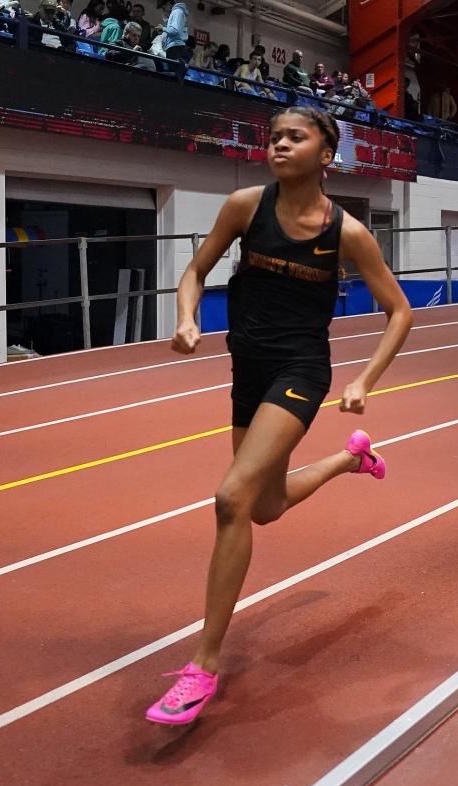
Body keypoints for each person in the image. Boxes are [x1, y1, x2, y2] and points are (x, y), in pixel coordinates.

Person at [147, 107, 413, 725]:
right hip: (249, 368)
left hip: (300, 373)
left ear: (327, 155)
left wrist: (363, 379)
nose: (280, 145)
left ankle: (202, 669)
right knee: (264, 507)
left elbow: (399, 311)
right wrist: (186, 319)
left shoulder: (346, 233)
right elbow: (194, 271)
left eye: (296, 137)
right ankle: (352, 458)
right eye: (273, 138)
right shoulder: (245, 206)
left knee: (232, 498)